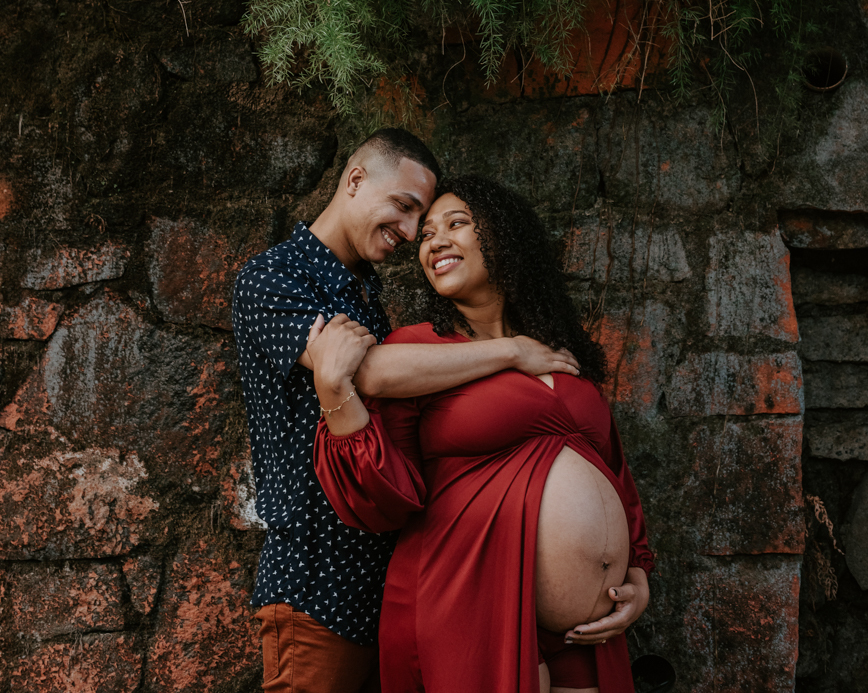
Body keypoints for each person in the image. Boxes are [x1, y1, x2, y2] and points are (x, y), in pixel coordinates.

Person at [232, 131, 580, 693]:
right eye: (405, 206)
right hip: (319, 583)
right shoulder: (273, 278)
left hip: (390, 585)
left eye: (421, 217)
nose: (412, 231)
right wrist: (513, 351)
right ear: (355, 180)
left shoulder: (365, 291)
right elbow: (363, 373)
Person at [310, 175, 653, 693]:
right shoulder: (420, 349)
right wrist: (511, 351)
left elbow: (616, 477)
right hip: (467, 590)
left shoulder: (558, 351)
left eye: (457, 224)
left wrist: (638, 578)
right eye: (425, 234)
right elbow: (385, 490)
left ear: (503, 238)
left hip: (587, 629)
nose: (435, 241)